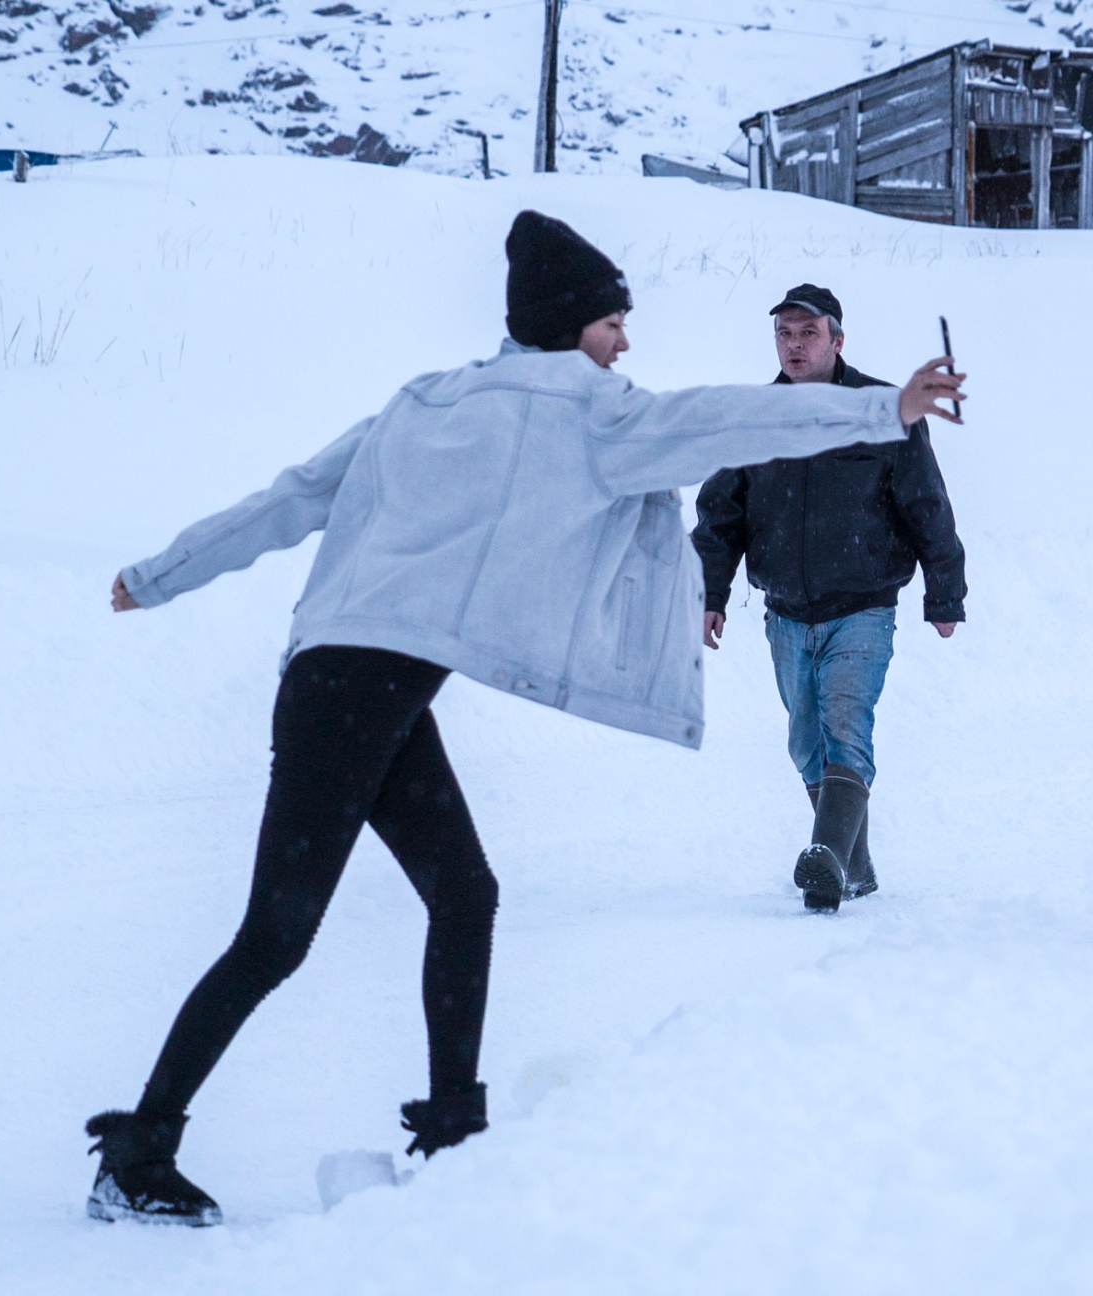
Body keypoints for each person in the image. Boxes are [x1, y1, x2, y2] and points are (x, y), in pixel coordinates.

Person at [84, 214, 967, 1227]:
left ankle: (456, 1135)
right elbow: (732, 423)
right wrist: (884, 410)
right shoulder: (591, 414)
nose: (625, 344)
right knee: (277, 936)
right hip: (359, 691)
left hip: (355, 678)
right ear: (570, 326)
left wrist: (156, 577)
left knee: (465, 893)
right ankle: (140, 1149)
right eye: (613, 324)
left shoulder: (425, 401)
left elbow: (291, 499)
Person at [691, 284, 967, 913]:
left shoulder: (879, 410)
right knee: (805, 744)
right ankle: (854, 865)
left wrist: (944, 591)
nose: (795, 344)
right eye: (785, 333)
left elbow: (927, 504)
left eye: (808, 332)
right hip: (785, 612)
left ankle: (824, 862)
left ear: (837, 340)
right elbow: (719, 515)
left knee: (846, 728)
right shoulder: (756, 418)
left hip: (863, 605)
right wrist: (711, 591)